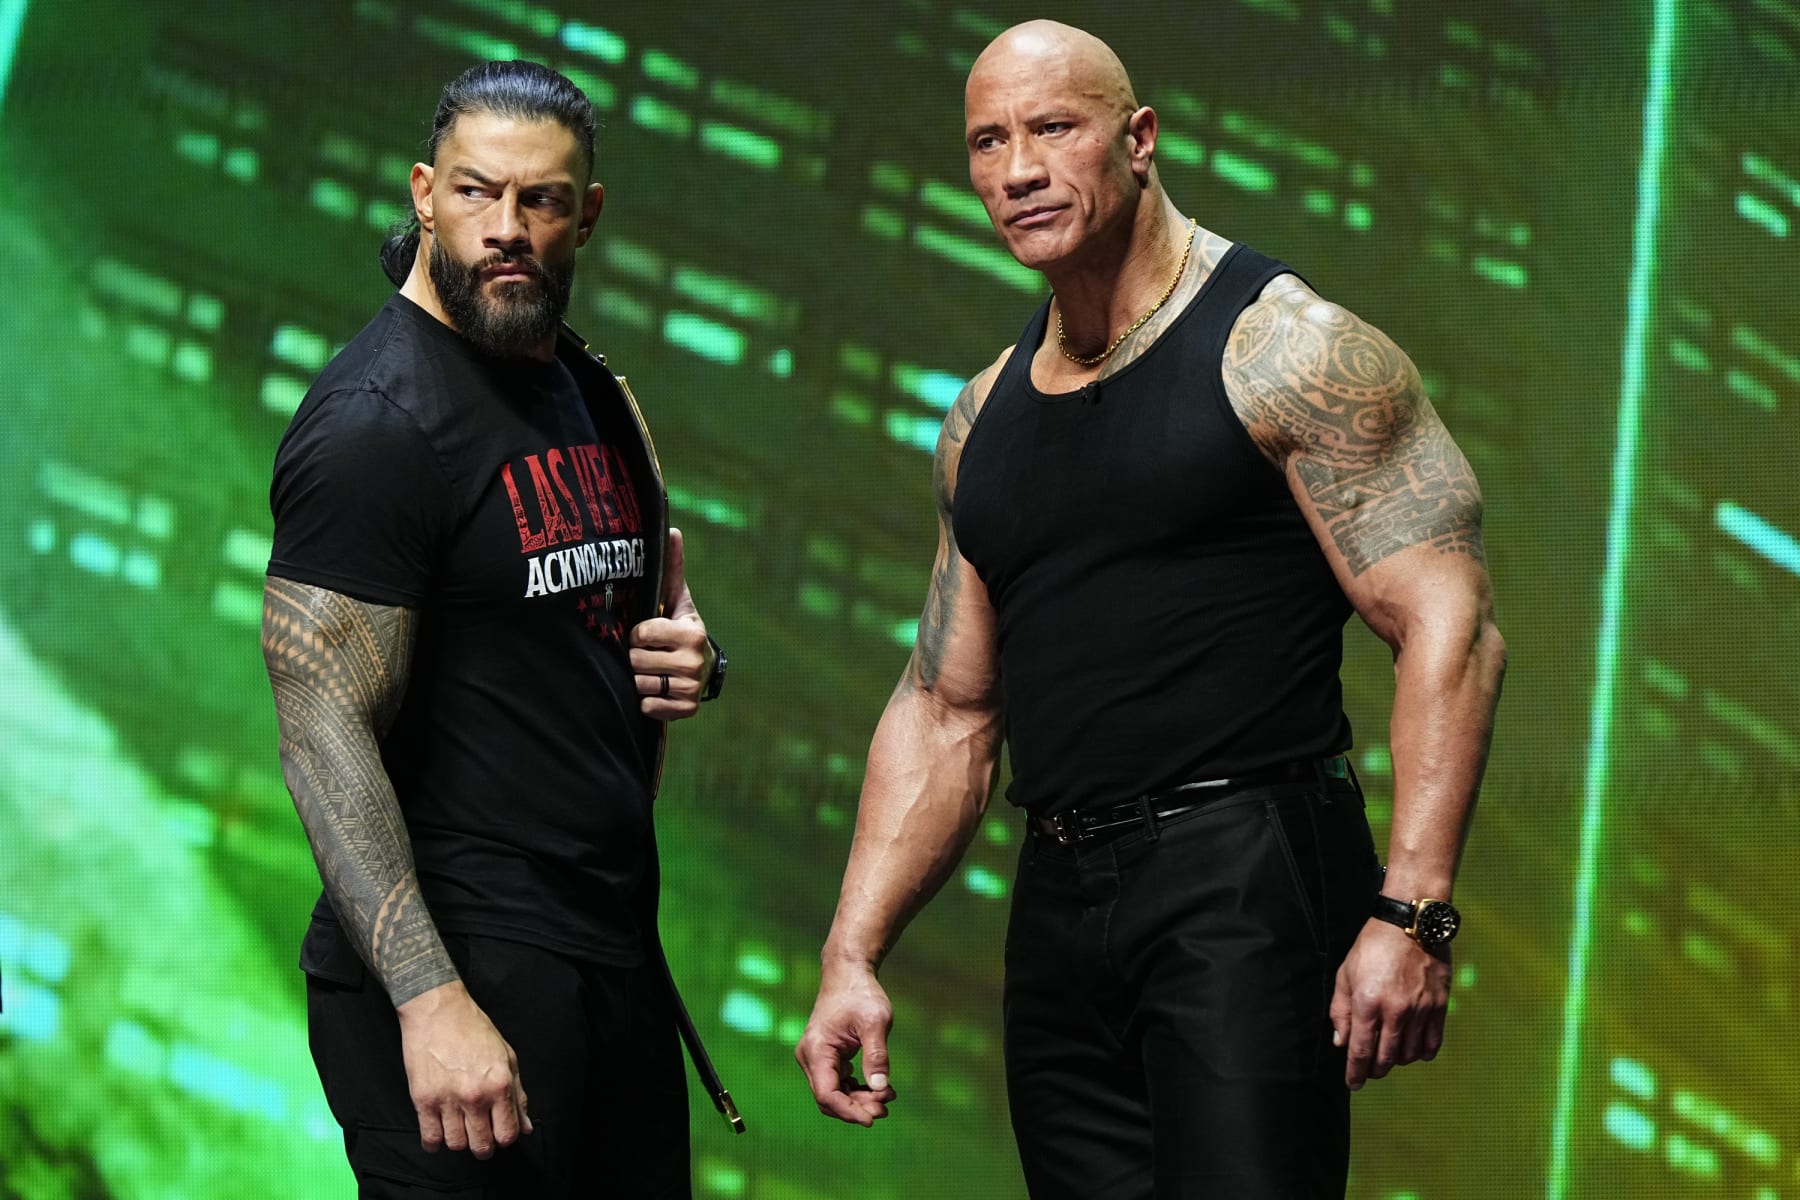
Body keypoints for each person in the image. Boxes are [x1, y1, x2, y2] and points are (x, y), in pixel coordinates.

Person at [796, 20, 1505, 1198]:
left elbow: (1451, 625)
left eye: (1052, 129)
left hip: (1247, 873)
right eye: (987, 142)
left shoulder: (1287, 350)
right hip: (1065, 896)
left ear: (1139, 140)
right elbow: (947, 708)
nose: (1017, 168)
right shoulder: (984, 420)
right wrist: (851, 953)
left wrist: (1414, 913)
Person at [262, 61, 722, 1198]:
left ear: (589, 213)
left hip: (605, 958)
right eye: (477, 194)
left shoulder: (589, 392)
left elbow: (595, 625)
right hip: (461, 966)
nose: (506, 229)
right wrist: (428, 999)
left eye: (542, 201)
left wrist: (688, 659)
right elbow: (322, 734)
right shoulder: (376, 424)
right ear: (425, 193)